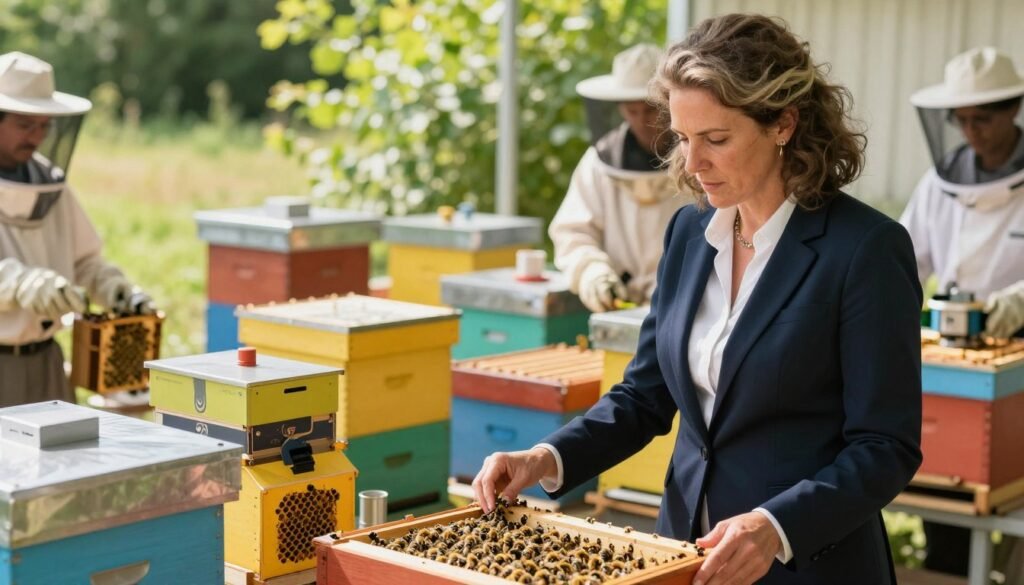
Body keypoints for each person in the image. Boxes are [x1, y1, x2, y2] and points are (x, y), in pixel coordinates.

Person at [473, 14, 923, 585]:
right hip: (682, 557)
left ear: (783, 124)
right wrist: (546, 458)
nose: (692, 163)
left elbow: (886, 446)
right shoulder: (689, 234)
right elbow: (644, 394)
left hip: (810, 567)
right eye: (684, 139)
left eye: (716, 139)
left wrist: (774, 527)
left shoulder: (866, 249)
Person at [900, 46, 1024, 581]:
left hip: (1017, 355)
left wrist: (1015, 302)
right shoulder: (938, 184)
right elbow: (904, 259)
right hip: (956, 357)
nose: (972, 132)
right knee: (949, 483)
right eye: (962, 120)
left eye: (984, 119)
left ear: (1014, 109)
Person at [0, 52, 155, 407]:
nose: (37, 137)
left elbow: (83, 261)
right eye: (26, 125)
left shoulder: (49, 185)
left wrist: (112, 287)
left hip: (47, 362)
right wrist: (22, 284)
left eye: (45, 126)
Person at [549, 43, 683, 313]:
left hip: (682, 308)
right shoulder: (598, 162)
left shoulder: (698, 158)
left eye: (650, 110)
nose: (641, 121)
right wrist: (593, 272)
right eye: (632, 112)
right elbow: (573, 233)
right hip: (620, 307)